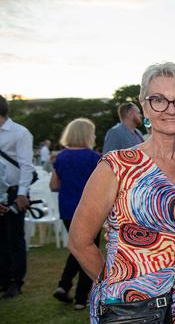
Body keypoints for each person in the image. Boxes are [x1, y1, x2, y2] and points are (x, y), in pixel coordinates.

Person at [68, 62, 175, 323]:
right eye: (158, 100)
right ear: (144, 107)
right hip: (127, 310)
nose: (170, 109)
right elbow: (79, 241)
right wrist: (113, 287)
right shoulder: (117, 165)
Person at [50, 118, 101, 310]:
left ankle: (63, 286)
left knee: (77, 248)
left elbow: (54, 185)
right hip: (90, 210)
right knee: (88, 250)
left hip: (66, 209)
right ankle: (81, 299)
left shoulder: (60, 158)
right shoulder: (93, 158)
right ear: (87, 134)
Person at [0, 95, 35, 299]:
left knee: (14, 238)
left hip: (15, 191)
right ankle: (3, 279)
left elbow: (26, 165)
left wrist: (22, 193)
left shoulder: (19, 132)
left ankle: (15, 281)